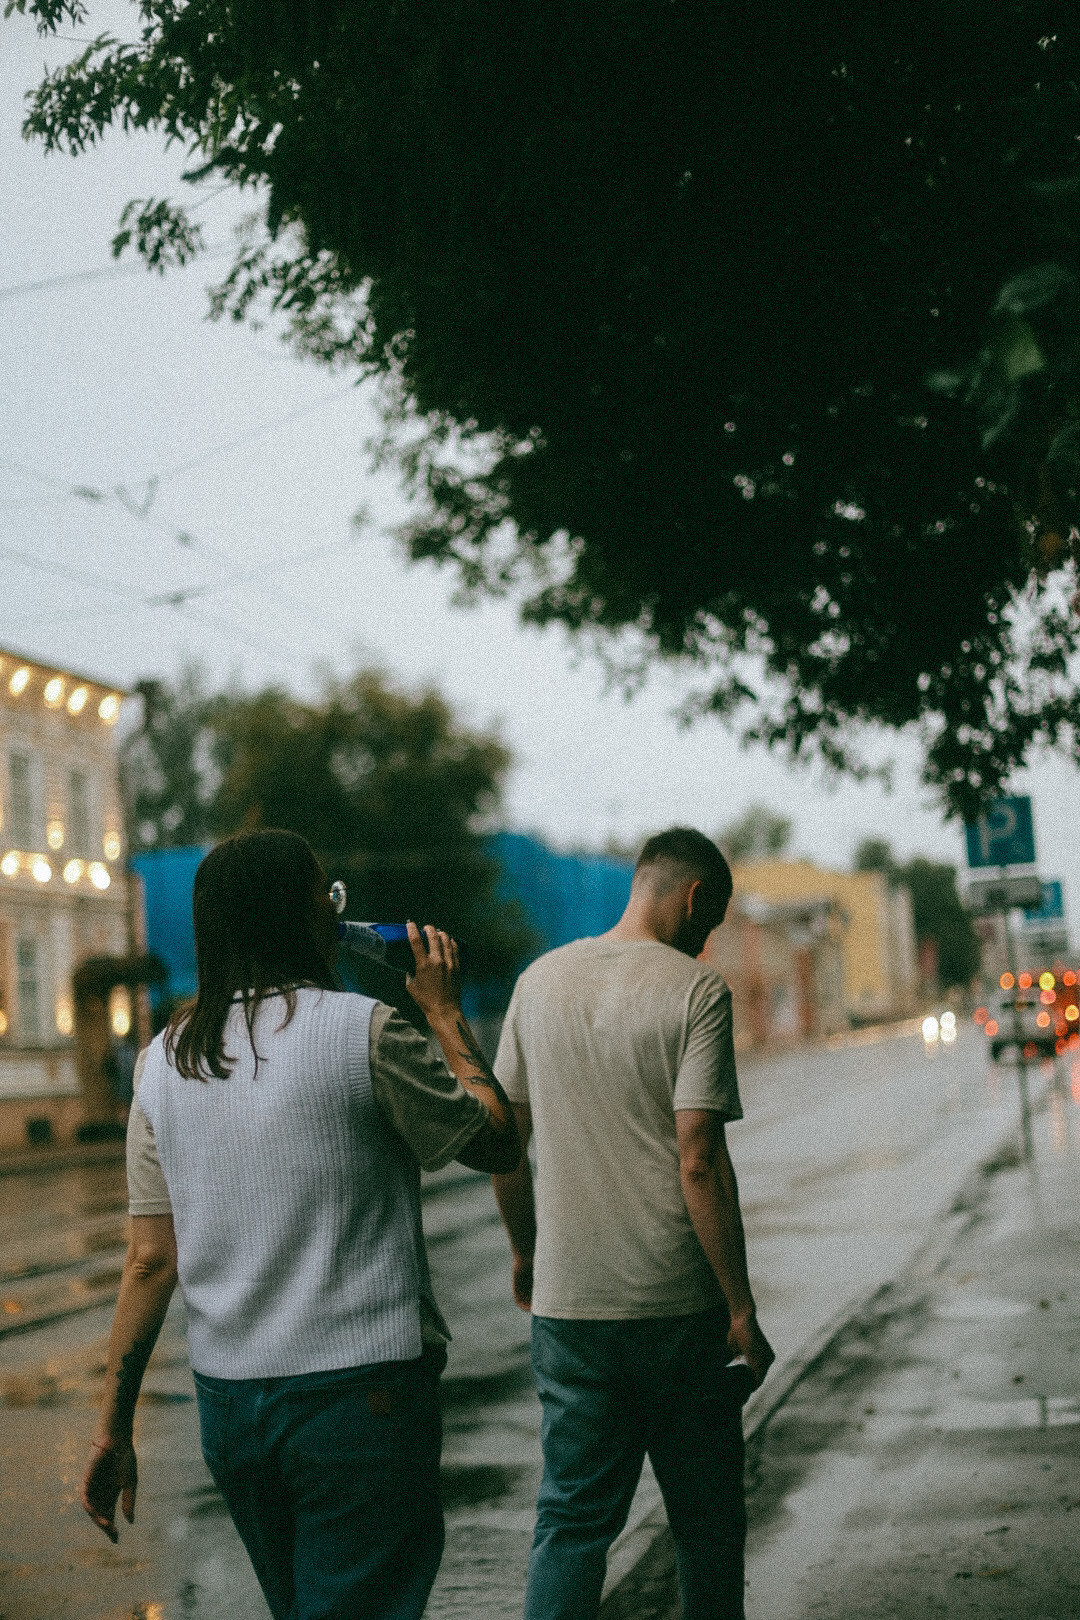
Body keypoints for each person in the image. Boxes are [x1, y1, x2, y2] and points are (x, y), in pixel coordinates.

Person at [80, 828, 519, 1620]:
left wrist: (112, 1428)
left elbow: (150, 1260)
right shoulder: (366, 1032)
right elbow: (495, 1142)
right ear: (305, 918)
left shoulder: (162, 1062)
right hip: (361, 1398)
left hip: (231, 1409)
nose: (337, 913)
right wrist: (447, 1017)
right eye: (330, 897)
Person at [491, 827, 774, 1620]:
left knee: (572, 1523)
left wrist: (527, 1252)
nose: (707, 936)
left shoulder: (538, 983)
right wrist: (741, 1308)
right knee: (708, 1526)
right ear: (693, 899)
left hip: (570, 1306)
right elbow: (698, 1159)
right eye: (710, 918)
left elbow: (504, 1144)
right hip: (679, 1309)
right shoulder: (694, 991)